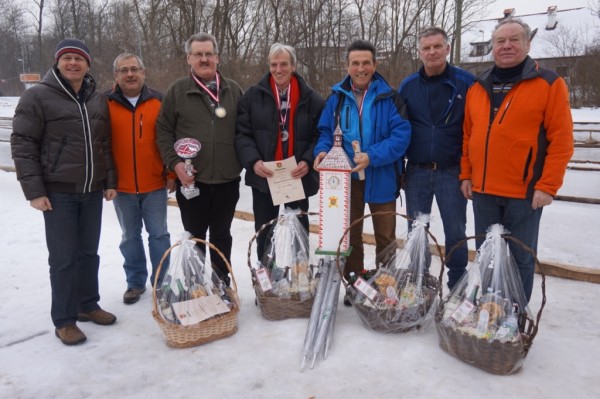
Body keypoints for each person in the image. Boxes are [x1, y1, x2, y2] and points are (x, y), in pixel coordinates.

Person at [11, 38, 117, 345]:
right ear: (58, 62)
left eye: (79, 58)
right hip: (58, 194)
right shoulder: (39, 97)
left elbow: (104, 144)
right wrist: (34, 190)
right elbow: (23, 144)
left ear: (87, 63)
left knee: (88, 253)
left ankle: (88, 305)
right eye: (67, 58)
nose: (73, 63)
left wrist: (109, 181)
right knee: (63, 258)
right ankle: (65, 319)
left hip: (91, 191)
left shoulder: (97, 98)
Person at [460, 18, 574, 301]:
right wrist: (466, 174)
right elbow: (468, 136)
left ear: (527, 44)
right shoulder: (478, 85)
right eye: (500, 41)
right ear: (492, 47)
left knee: (521, 258)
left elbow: (562, 140)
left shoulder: (548, 83)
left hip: (523, 194)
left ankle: (515, 317)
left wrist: (547, 185)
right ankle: (486, 314)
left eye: (514, 40)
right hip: (484, 192)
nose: (506, 46)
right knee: (486, 256)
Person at [313, 39, 411, 305]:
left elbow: (401, 136)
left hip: (382, 178)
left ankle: (386, 285)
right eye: (355, 63)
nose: (360, 68)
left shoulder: (389, 97)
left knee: (385, 236)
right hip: (347, 181)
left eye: (366, 62)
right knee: (350, 235)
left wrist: (372, 156)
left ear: (375, 64)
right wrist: (321, 152)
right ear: (347, 66)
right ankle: (354, 283)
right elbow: (324, 132)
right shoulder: (336, 98)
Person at [156, 32, 243, 286]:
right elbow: (163, 131)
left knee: (222, 235)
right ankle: (194, 286)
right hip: (192, 180)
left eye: (209, 54)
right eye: (198, 55)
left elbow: (245, 130)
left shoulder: (233, 90)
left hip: (227, 179)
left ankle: (220, 282)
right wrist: (175, 164)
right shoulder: (177, 91)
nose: (204, 59)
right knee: (194, 236)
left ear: (217, 57)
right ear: (189, 59)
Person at [398, 27, 475, 289]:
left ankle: (457, 284)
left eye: (437, 46)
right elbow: (399, 128)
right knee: (416, 231)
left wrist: (469, 172)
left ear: (447, 48)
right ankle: (418, 282)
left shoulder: (466, 83)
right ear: (419, 52)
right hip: (417, 170)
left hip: (451, 171)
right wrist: (400, 170)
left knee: (455, 231)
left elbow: (474, 130)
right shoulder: (408, 86)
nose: (432, 52)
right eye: (426, 48)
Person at [235, 43, 325, 261]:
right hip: (265, 175)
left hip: (296, 175)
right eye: (274, 64)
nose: (278, 69)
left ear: (293, 66)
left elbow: (320, 135)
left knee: (299, 229)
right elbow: (241, 134)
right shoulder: (253, 96)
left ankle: (300, 277)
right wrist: (253, 162)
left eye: (284, 64)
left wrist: (308, 159)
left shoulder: (311, 98)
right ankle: (266, 282)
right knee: (265, 230)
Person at [107, 53, 175, 304]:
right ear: (116, 75)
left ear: (143, 72)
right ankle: (135, 282)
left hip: (154, 184)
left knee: (159, 234)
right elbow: (101, 144)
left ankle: (162, 282)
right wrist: (108, 181)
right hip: (122, 187)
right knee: (129, 237)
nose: (130, 74)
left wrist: (170, 173)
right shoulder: (106, 103)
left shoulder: (159, 100)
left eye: (134, 69)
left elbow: (168, 139)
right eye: (123, 70)